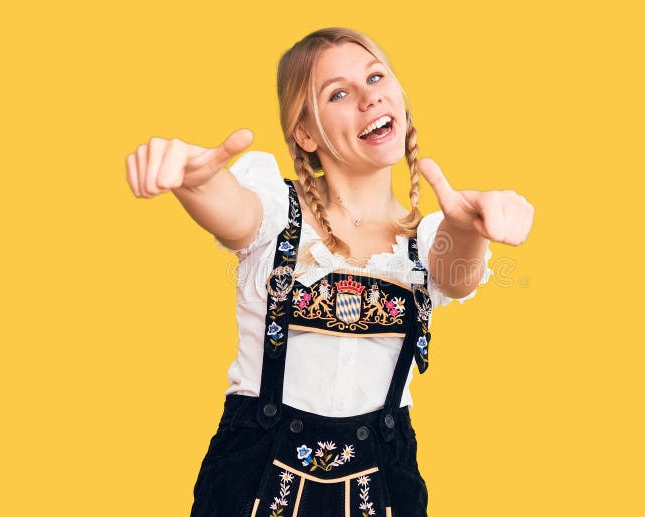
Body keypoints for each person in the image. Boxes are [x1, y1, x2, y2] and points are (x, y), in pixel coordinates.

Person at [126, 27, 533, 517]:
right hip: (251, 483)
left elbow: (457, 273)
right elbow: (230, 210)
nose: (369, 96)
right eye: (338, 92)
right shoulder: (276, 211)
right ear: (305, 132)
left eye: (376, 76)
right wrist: (193, 181)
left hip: (384, 489)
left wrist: (471, 229)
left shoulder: (428, 241)